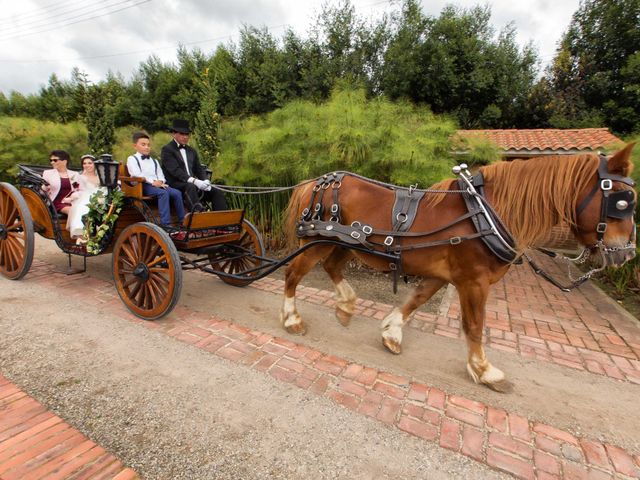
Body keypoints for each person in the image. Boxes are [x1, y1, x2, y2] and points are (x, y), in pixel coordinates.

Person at [160, 119, 228, 212]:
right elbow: (175, 171)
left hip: (192, 184)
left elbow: (198, 169)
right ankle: (198, 215)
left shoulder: (191, 151)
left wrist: (205, 180)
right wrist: (195, 181)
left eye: (187, 134)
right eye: (182, 134)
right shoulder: (167, 150)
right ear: (174, 134)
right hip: (175, 184)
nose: (185, 137)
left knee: (216, 191)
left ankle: (223, 220)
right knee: (190, 186)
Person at [127, 131, 185, 227]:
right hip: (143, 185)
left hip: (158, 184)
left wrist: (161, 182)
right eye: (143, 144)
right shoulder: (132, 159)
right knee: (163, 193)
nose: (147, 147)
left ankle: (182, 222)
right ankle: (165, 225)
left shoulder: (154, 161)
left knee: (177, 193)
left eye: (148, 145)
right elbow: (136, 174)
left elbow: (161, 175)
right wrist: (153, 182)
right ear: (135, 146)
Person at [66, 154, 106, 240]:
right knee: (83, 206)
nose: (87, 165)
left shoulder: (100, 177)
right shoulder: (80, 177)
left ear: (94, 164)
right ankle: (82, 234)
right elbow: (76, 190)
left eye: (89, 163)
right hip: (85, 197)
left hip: (101, 197)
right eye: (84, 163)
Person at [42, 150, 82, 215]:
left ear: (64, 161)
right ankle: (70, 226)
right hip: (56, 203)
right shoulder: (48, 173)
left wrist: (72, 198)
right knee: (73, 211)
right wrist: (45, 187)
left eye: (55, 160)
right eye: (51, 160)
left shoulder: (75, 174)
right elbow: (42, 191)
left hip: (72, 202)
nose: (52, 162)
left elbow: (80, 190)